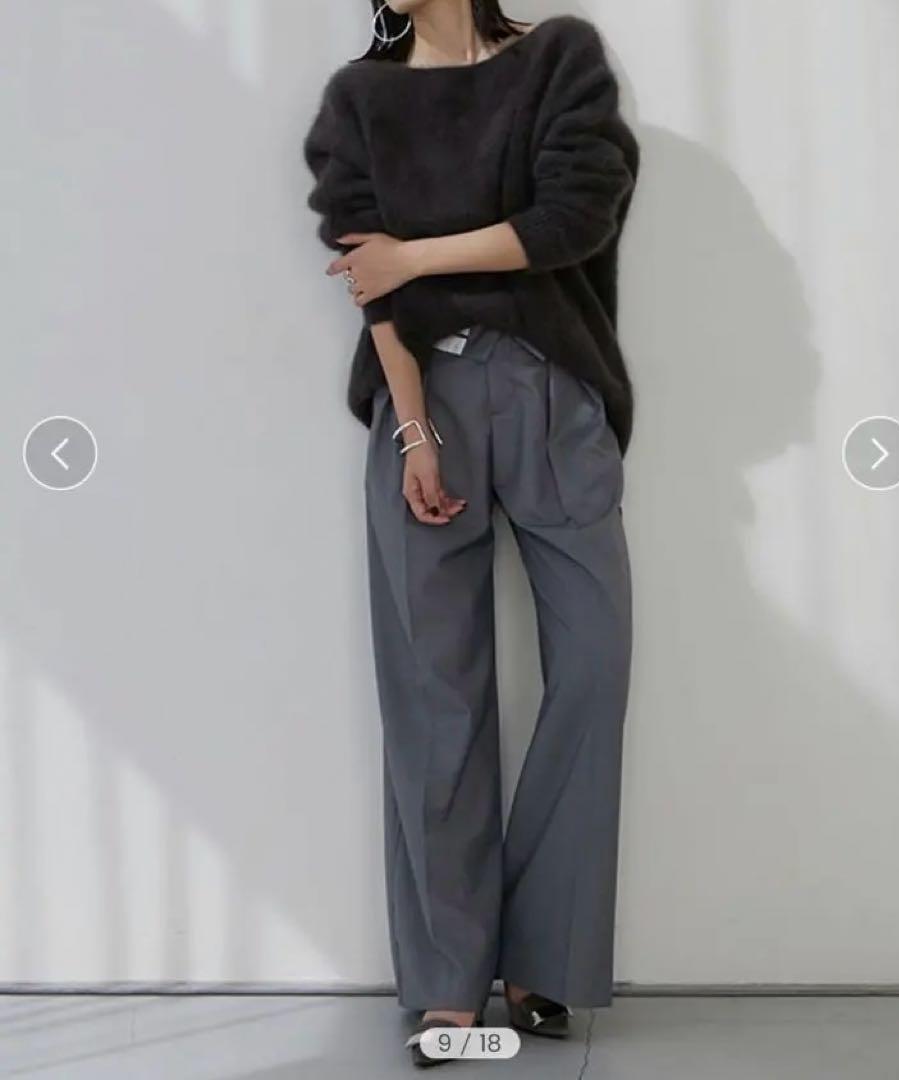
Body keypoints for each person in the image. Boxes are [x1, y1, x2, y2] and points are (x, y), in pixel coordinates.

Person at [303, 0, 640, 1067]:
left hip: (551, 390)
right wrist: (411, 431)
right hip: (424, 401)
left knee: (593, 663)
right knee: (434, 693)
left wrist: (413, 258)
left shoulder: (558, 58)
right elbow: (368, 284)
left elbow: (574, 217)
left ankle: (544, 954)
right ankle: (448, 984)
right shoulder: (359, 98)